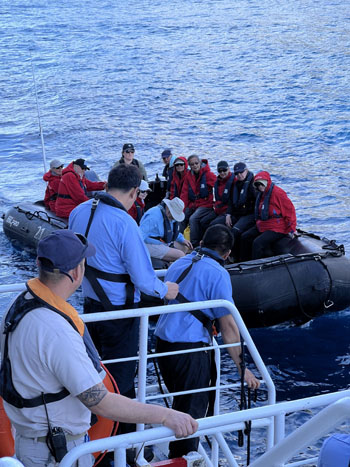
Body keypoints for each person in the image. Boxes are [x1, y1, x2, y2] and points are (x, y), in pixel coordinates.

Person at [0, 230, 198, 467]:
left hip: (29, 441)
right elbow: (99, 401)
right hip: (57, 453)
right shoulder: (55, 330)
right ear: (76, 272)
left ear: (38, 264)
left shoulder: (18, 304)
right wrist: (166, 415)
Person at [68, 164, 179, 436]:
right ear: (133, 191)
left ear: (107, 185)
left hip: (91, 309)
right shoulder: (125, 223)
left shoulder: (78, 212)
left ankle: (95, 433)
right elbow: (142, 280)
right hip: (120, 313)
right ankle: (122, 444)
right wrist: (166, 290)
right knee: (122, 380)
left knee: (96, 372)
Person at [154, 224, 260, 458]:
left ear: (201, 243)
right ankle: (182, 459)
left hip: (163, 344)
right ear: (227, 254)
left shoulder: (179, 263)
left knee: (181, 402)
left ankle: (180, 454)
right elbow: (229, 326)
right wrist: (243, 369)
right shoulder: (219, 273)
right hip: (189, 349)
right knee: (191, 414)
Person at [240, 171, 297, 260]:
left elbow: (290, 211)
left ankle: (256, 266)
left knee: (257, 243)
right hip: (264, 225)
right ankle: (243, 261)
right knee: (245, 236)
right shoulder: (261, 194)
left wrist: (292, 229)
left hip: (277, 228)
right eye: (258, 184)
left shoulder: (278, 193)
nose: (260, 186)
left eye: (262, 184)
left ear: (267, 182)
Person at [140, 197, 192, 262]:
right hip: (148, 244)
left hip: (164, 242)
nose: (174, 219)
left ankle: (169, 264)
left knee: (184, 247)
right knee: (180, 255)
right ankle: (170, 269)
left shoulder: (170, 217)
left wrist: (182, 240)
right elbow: (140, 236)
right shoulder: (153, 216)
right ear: (169, 211)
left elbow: (172, 231)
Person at [180, 155, 217, 248]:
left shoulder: (208, 175)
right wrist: (182, 208)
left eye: (196, 163)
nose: (194, 166)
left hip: (206, 205)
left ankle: (194, 244)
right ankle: (180, 240)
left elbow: (218, 186)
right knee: (181, 217)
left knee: (193, 219)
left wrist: (218, 204)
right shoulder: (189, 176)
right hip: (193, 204)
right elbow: (184, 193)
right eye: (192, 164)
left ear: (200, 163)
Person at [225, 162, 256, 260]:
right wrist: (228, 214)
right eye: (237, 174)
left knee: (235, 231)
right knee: (218, 225)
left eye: (241, 172)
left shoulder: (253, 184)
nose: (239, 175)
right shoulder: (236, 184)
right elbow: (231, 201)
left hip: (250, 214)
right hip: (238, 213)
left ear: (246, 171)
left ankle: (238, 258)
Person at [208, 161, 234, 227]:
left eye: (224, 170)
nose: (222, 173)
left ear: (228, 169)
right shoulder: (217, 182)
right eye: (220, 171)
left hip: (229, 211)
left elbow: (233, 201)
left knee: (213, 224)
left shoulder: (234, 181)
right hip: (219, 210)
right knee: (203, 221)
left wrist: (228, 214)